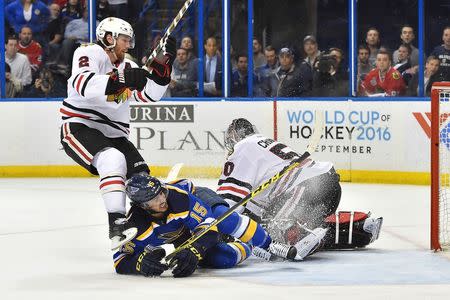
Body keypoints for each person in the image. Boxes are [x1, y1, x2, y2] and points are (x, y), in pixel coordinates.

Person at [59, 17, 176, 250]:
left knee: (143, 182)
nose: (128, 45)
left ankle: (145, 231)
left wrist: (163, 68)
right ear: (109, 38)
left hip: (114, 134)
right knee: (112, 159)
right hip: (81, 126)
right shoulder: (90, 51)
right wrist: (121, 79)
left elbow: (150, 95)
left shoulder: (128, 67)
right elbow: (84, 84)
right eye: (124, 40)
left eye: (130, 41)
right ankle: (117, 226)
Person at [218, 118, 383, 251]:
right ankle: (359, 228)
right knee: (289, 228)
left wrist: (220, 228)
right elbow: (255, 209)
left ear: (233, 139)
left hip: (307, 188)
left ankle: (298, 237)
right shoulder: (263, 144)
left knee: (272, 236)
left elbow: (230, 202)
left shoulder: (242, 148)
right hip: (326, 184)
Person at [113, 175, 299, 277]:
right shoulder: (136, 225)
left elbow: (209, 227)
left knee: (222, 218)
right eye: (154, 199)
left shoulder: (178, 199)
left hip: (200, 201)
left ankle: (269, 244)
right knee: (221, 259)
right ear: (143, 206)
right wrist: (139, 264)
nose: (162, 198)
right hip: (182, 231)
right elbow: (120, 261)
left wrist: (194, 249)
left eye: (161, 192)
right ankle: (249, 246)